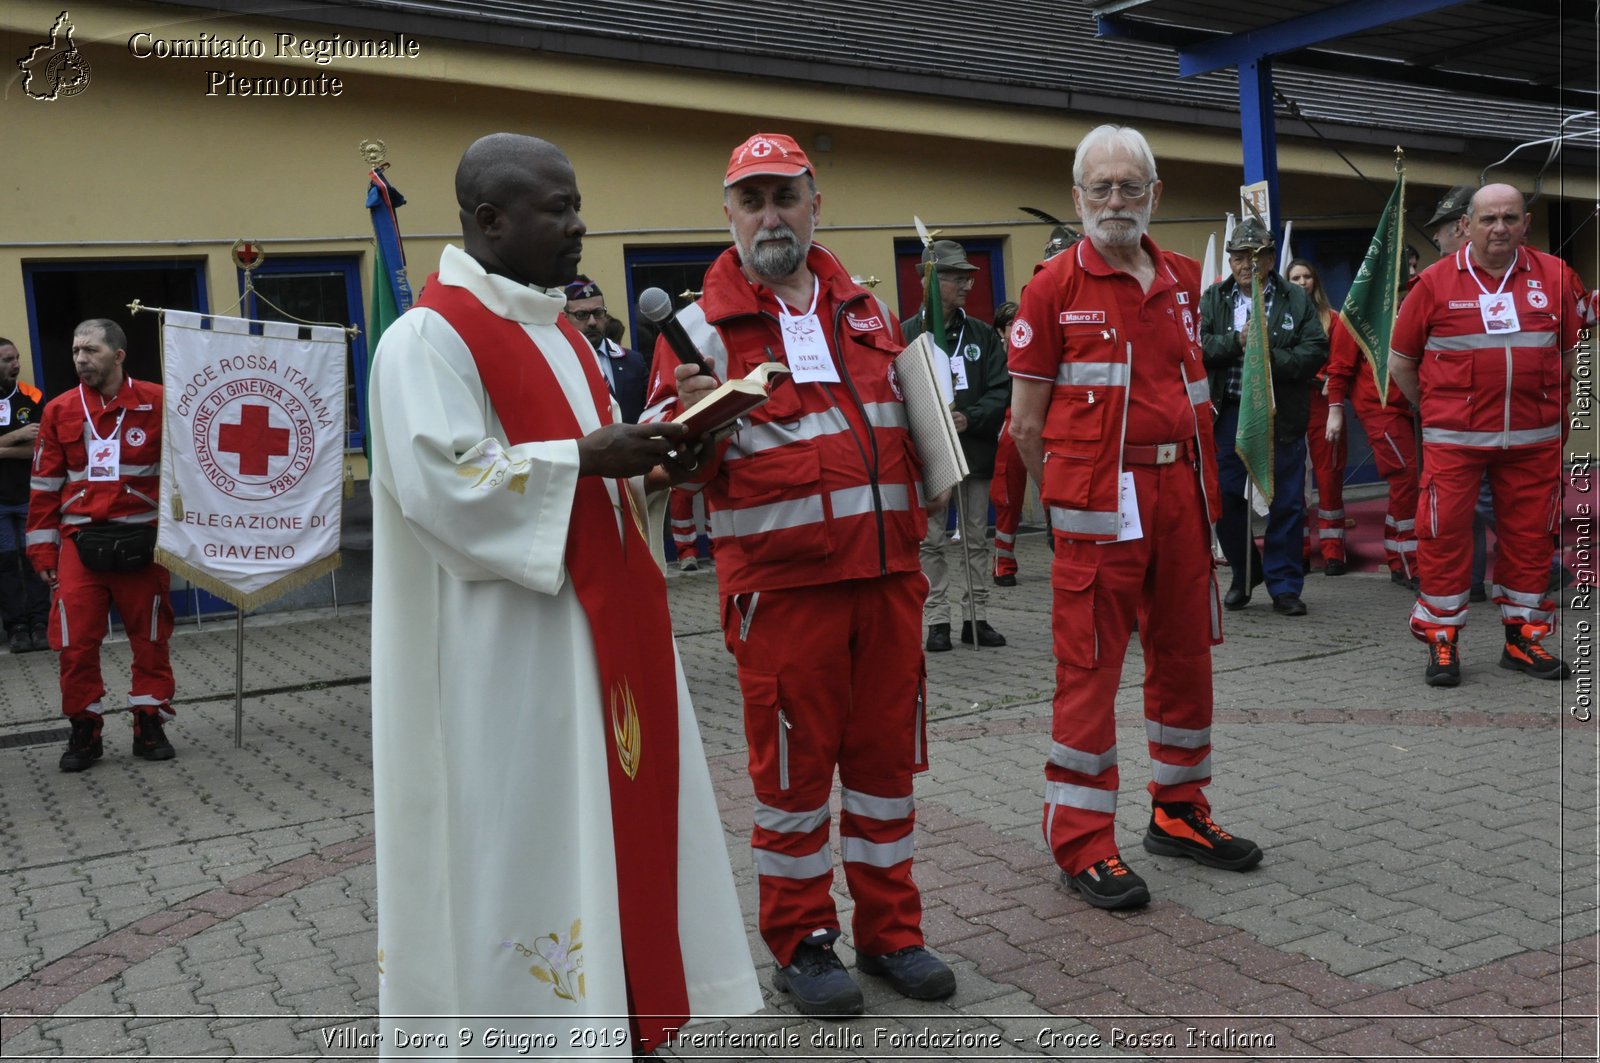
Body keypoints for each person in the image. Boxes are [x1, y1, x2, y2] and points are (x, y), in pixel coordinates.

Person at [367, 132, 760, 1057]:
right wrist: (587, 457)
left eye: (577, 202)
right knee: (534, 845)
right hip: (509, 665)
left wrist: (662, 456)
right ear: (490, 219)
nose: (581, 224)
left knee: (611, 837)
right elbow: (446, 489)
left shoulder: (560, 333)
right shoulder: (425, 340)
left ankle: (620, 1019)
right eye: (558, 208)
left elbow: (594, 490)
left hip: (605, 643)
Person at [641, 132, 955, 1016]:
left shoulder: (866, 310)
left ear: (817, 201)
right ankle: (803, 942)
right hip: (784, 598)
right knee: (791, 781)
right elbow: (670, 466)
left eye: (785, 196)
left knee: (888, 765)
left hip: (890, 582)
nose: (770, 216)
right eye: (753, 201)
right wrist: (691, 424)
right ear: (729, 216)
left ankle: (892, 931)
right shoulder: (698, 328)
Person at [1009, 124, 1263, 912]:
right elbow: (1024, 426)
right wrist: (1067, 506)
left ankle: (1179, 811)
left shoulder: (1185, 279)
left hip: (1180, 497)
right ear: (1077, 198)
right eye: (1100, 188)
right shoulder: (1051, 287)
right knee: (1089, 670)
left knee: (1186, 655)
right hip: (1099, 507)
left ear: (1155, 196)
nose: (1114, 201)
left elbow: (1192, 398)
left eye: (1129, 187)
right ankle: (1081, 839)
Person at [1389, 183, 1582, 687]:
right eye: (1489, 219)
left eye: (1510, 218)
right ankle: (1443, 642)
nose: (1500, 228)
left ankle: (1523, 641)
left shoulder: (1557, 277)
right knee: (1444, 539)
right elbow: (1401, 363)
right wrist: (1439, 412)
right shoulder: (1432, 284)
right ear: (1466, 226)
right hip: (1455, 445)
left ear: (1526, 223)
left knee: (1530, 541)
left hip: (1533, 445)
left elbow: (1567, 359)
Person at [28, 319, 173, 772]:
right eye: (75, 351)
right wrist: (42, 552)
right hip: (79, 545)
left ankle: (148, 722)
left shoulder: (158, 401)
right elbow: (44, 485)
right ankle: (84, 727)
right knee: (74, 643)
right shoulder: (59, 409)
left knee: (150, 638)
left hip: (142, 543)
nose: (80, 359)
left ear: (118, 355)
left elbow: (183, 477)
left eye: (90, 350)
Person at [1200, 217, 1328, 616]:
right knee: (1226, 500)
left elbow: (1316, 350)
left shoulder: (1294, 298)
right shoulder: (1213, 298)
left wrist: (1268, 357)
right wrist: (1237, 343)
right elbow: (1197, 346)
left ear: (1271, 259)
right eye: (1239, 257)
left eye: (1255, 257)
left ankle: (1284, 585)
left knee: (1286, 503)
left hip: (1280, 414)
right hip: (1230, 414)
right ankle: (1244, 573)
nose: (1246, 266)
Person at [905, 240, 1010, 651]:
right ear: (931, 281)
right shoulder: (909, 334)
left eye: (969, 276)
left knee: (974, 537)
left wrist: (971, 417)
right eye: (955, 276)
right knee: (930, 539)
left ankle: (976, 617)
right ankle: (937, 620)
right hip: (929, 455)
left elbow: (1002, 390)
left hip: (974, 451)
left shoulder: (981, 334)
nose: (966, 283)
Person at [1322, 280, 1421, 589]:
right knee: (1406, 475)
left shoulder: (1418, 298)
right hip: (1381, 407)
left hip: (1416, 405)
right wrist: (1335, 410)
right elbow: (1339, 367)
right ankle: (1407, 564)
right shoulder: (1361, 310)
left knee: (1413, 480)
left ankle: (1400, 556)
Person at [1284, 260, 1348, 576]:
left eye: (1307, 276)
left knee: (1328, 478)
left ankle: (1334, 552)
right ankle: (1301, 552)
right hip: (1292, 406)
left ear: (1315, 281)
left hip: (1324, 407)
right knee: (1294, 483)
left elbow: (1340, 363)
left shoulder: (1332, 319)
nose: (1302, 281)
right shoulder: (1280, 319)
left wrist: (1322, 379)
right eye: (1295, 277)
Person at [0, 337, 48, 652]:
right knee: (5, 565)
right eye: (7, 360)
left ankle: (40, 624)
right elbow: (25, 441)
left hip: (29, 496)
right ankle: (16, 627)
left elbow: (41, 448)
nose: (15, 364)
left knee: (35, 562)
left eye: (16, 358)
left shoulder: (33, 397)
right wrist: (15, 437)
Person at [561, 274, 650, 424]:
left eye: (598, 313)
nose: (592, 322)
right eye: (581, 315)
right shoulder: (558, 364)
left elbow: (651, 411)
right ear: (564, 318)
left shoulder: (633, 361)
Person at [989, 300, 1027, 586]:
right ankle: (1004, 560)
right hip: (1009, 426)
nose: (1017, 328)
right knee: (1007, 495)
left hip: (1039, 421)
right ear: (1001, 330)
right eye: (1012, 323)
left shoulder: (1034, 346)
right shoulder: (994, 357)